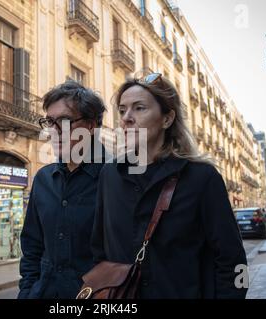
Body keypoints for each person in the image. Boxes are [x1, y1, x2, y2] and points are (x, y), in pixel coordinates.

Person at [91, 73, 248, 299]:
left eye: (139, 108)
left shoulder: (202, 178)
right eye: (123, 110)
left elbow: (233, 262)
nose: (126, 118)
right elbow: (99, 251)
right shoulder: (109, 176)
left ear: (167, 119)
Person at [18, 80, 108, 299]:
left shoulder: (117, 178)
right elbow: (32, 248)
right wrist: (27, 292)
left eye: (65, 121)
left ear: (92, 125)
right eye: (50, 122)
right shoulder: (43, 179)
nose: (55, 131)